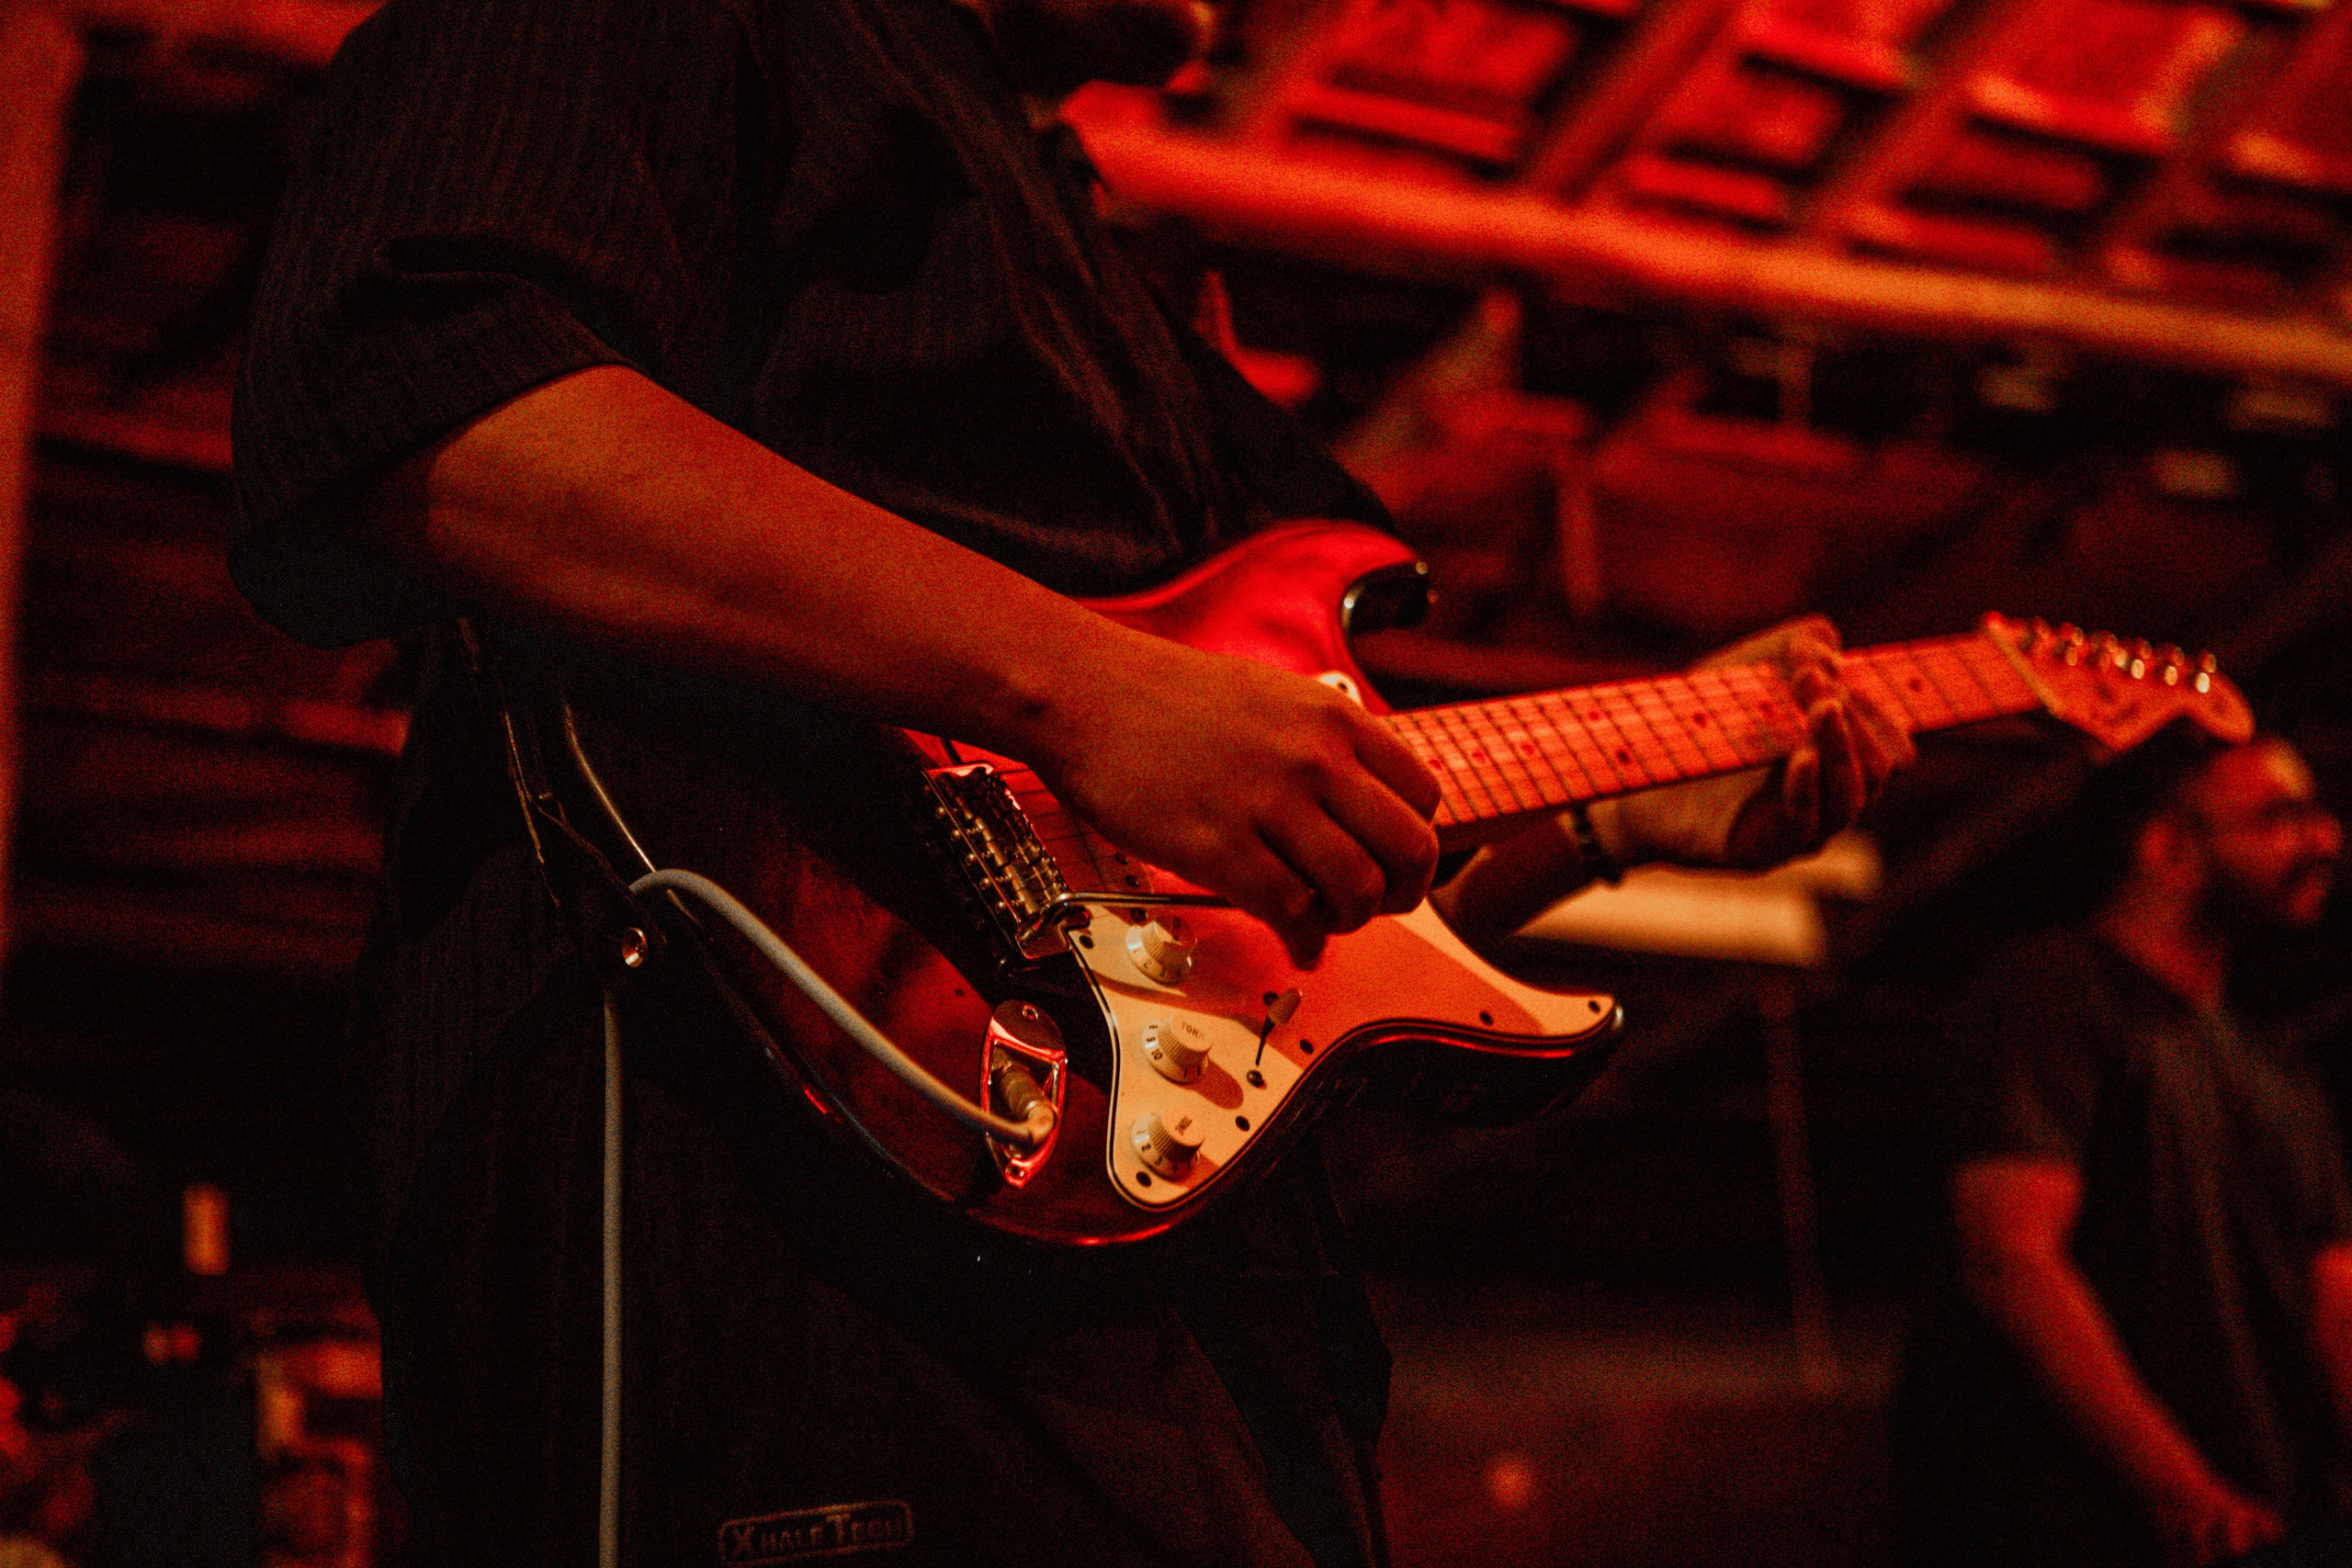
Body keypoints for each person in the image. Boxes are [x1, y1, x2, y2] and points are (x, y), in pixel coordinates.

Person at [226, 0, 1910, 1562]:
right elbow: (423, 404)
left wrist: (1602, 815)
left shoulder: (1094, 256)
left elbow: (1242, 937)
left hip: (1168, 1273)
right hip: (748, 1158)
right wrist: (1089, 687)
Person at [1898, 732, 2349, 1568]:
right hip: (2086, 1532)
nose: (2325, 839)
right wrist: (2183, 1493)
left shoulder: (2274, 1064)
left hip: (2276, 1520)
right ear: (2168, 847)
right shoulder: (2050, 997)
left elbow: (2337, 1298)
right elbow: (2012, 1260)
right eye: (2281, 817)